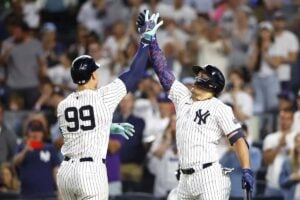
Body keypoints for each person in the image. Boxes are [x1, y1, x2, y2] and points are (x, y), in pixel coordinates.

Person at [136, 11, 253, 200]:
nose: (198, 77)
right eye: (199, 74)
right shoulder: (183, 96)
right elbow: (163, 72)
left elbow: (239, 139)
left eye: (203, 75)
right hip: (184, 179)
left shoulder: (219, 107)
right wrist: (151, 40)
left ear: (213, 85)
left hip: (210, 177)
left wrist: (247, 169)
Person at [56, 11, 163, 200]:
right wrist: (145, 40)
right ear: (94, 76)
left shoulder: (63, 105)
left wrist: (109, 126)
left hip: (66, 173)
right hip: (90, 171)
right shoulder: (102, 97)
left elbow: (82, 128)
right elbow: (134, 73)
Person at [13, 119, 60, 199]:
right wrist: (25, 150)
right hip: (27, 194)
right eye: (33, 131)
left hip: (47, 194)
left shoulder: (50, 148)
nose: (36, 134)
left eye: (39, 131)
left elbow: (56, 170)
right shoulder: (22, 147)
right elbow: (15, 162)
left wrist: (60, 191)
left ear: (43, 133)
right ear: (28, 133)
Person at [220, 123, 262, 199]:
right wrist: (228, 152)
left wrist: (239, 152)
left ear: (247, 134)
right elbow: (220, 169)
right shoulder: (229, 153)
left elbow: (253, 168)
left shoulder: (255, 152)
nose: (239, 139)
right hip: (229, 193)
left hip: (248, 193)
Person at [263, 109, 297, 198]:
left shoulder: (297, 138)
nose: (284, 121)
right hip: (272, 186)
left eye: (288, 118)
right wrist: (279, 146)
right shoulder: (270, 138)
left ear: (292, 120)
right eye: (282, 118)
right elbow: (267, 161)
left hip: (291, 186)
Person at [280, 133, 300, 200]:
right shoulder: (288, 161)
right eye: (297, 142)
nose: (299, 144)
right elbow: (281, 182)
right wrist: (291, 178)